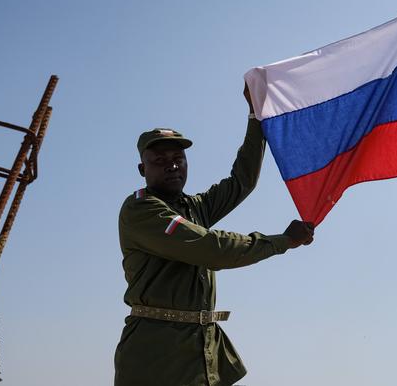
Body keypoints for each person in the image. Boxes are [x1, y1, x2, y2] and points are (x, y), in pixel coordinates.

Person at [114, 85, 314, 386]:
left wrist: (256, 118)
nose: (172, 166)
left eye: (178, 159)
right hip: (157, 355)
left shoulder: (193, 207)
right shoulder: (140, 209)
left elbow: (241, 181)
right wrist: (282, 241)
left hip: (202, 349)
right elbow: (212, 248)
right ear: (142, 168)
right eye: (159, 160)